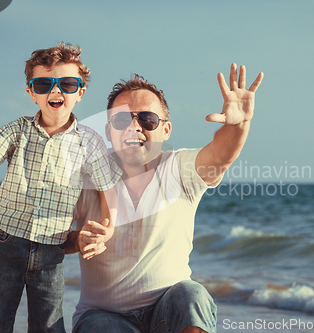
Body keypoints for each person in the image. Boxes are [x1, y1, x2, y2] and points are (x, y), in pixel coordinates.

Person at [66, 63, 263, 333]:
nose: (134, 127)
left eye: (147, 119)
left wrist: (239, 126)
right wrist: (77, 240)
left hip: (169, 311)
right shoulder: (86, 178)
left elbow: (221, 153)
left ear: (166, 130)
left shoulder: (180, 169)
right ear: (109, 130)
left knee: (191, 296)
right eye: (122, 120)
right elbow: (44, 235)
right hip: (104, 315)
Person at [0, 42, 120, 333]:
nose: (56, 90)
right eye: (44, 83)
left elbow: (107, 188)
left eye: (68, 84)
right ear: (31, 93)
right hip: (4, 240)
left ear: (80, 93)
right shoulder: (18, 130)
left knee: (48, 324)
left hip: (52, 247)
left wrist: (107, 229)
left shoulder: (89, 142)